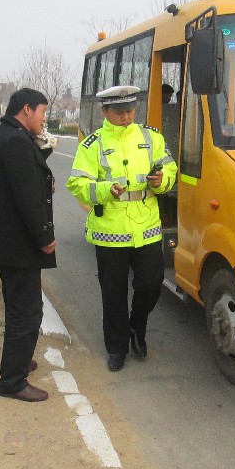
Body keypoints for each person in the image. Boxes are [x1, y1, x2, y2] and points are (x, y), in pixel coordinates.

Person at [66, 85, 178, 372]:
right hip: (110, 231)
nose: (127, 117)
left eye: (130, 111)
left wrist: (161, 181)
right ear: (105, 112)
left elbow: (170, 169)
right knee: (113, 293)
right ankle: (116, 347)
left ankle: (136, 327)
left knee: (151, 285)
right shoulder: (92, 144)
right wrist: (105, 189)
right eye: (120, 113)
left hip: (147, 227)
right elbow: (77, 184)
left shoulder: (150, 137)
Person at [0, 88, 57, 402]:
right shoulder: (15, 142)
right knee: (28, 312)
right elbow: (27, 199)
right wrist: (45, 238)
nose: (44, 119)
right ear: (26, 110)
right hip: (18, 243)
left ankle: (19, 360)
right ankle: (12, 381)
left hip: (3, 240)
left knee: (18, 307)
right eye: (42, 113)